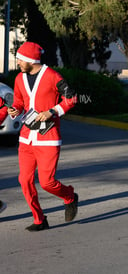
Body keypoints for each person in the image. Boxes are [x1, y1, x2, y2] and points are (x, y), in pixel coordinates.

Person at [7, 41, 78, 231]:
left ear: (31, 59)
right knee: (24, 180)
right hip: (26, 137)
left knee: (47, 182)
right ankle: (39, 219)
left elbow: (71, 97)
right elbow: (19, 102)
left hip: (48, 138)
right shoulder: (19, 79)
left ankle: (69, 196)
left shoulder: (52, 76)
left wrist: (52, 111)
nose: (18, 62)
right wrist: (15, 110)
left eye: (20, 59)